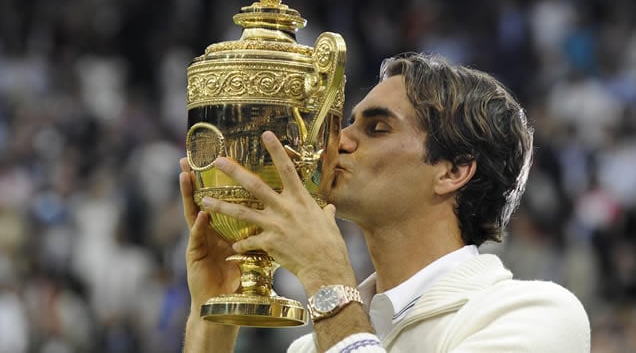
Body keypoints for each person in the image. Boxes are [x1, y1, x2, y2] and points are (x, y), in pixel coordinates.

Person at [179, 53, 591, 352]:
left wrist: (326, 276)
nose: (338, 141)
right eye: (347, 123)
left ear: (452, 171)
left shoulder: (532, 314)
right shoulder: (313, 345)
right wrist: (213, 310)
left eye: (377, 128)